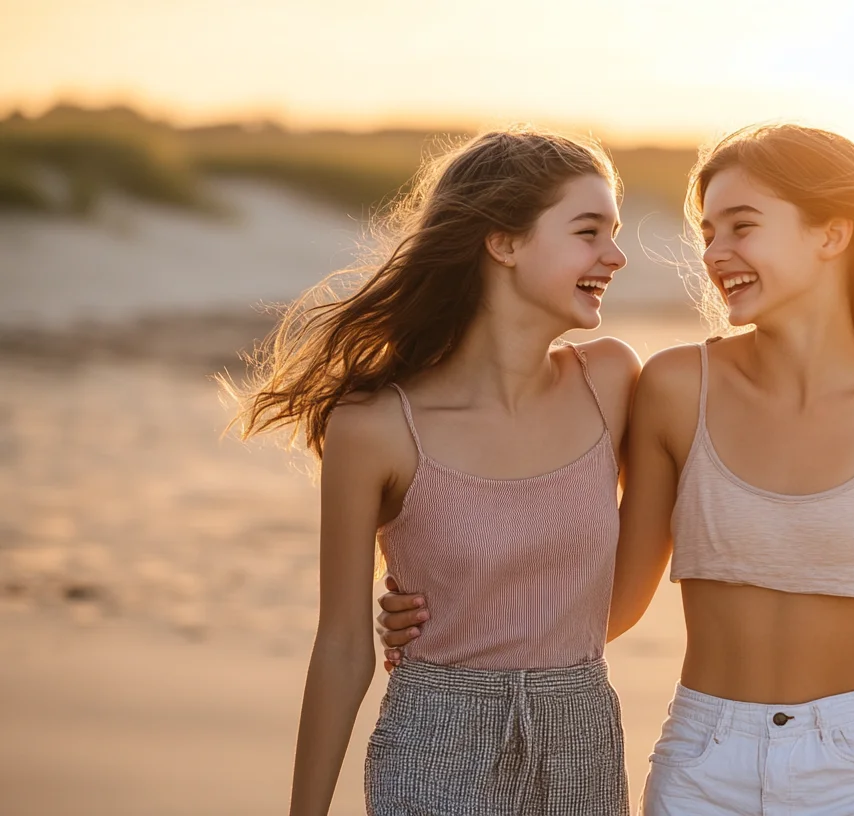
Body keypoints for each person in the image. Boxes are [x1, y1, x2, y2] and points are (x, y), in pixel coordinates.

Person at [380, 124, 854, 815]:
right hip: (704, 764)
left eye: (741, 227)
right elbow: (602, 604)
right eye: (709, 232)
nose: (715, 254)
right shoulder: (677, 388)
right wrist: (454, 608)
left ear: (831, 235)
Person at [230, 127, 639, 816]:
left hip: (584, 749)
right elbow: (340, 647)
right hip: (435, 745)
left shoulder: (615, 382)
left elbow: (620, 591)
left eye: (613, 231)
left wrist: (493, 617)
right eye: (588, 231)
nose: (616, 255)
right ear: (503, 242)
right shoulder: (375, 428)